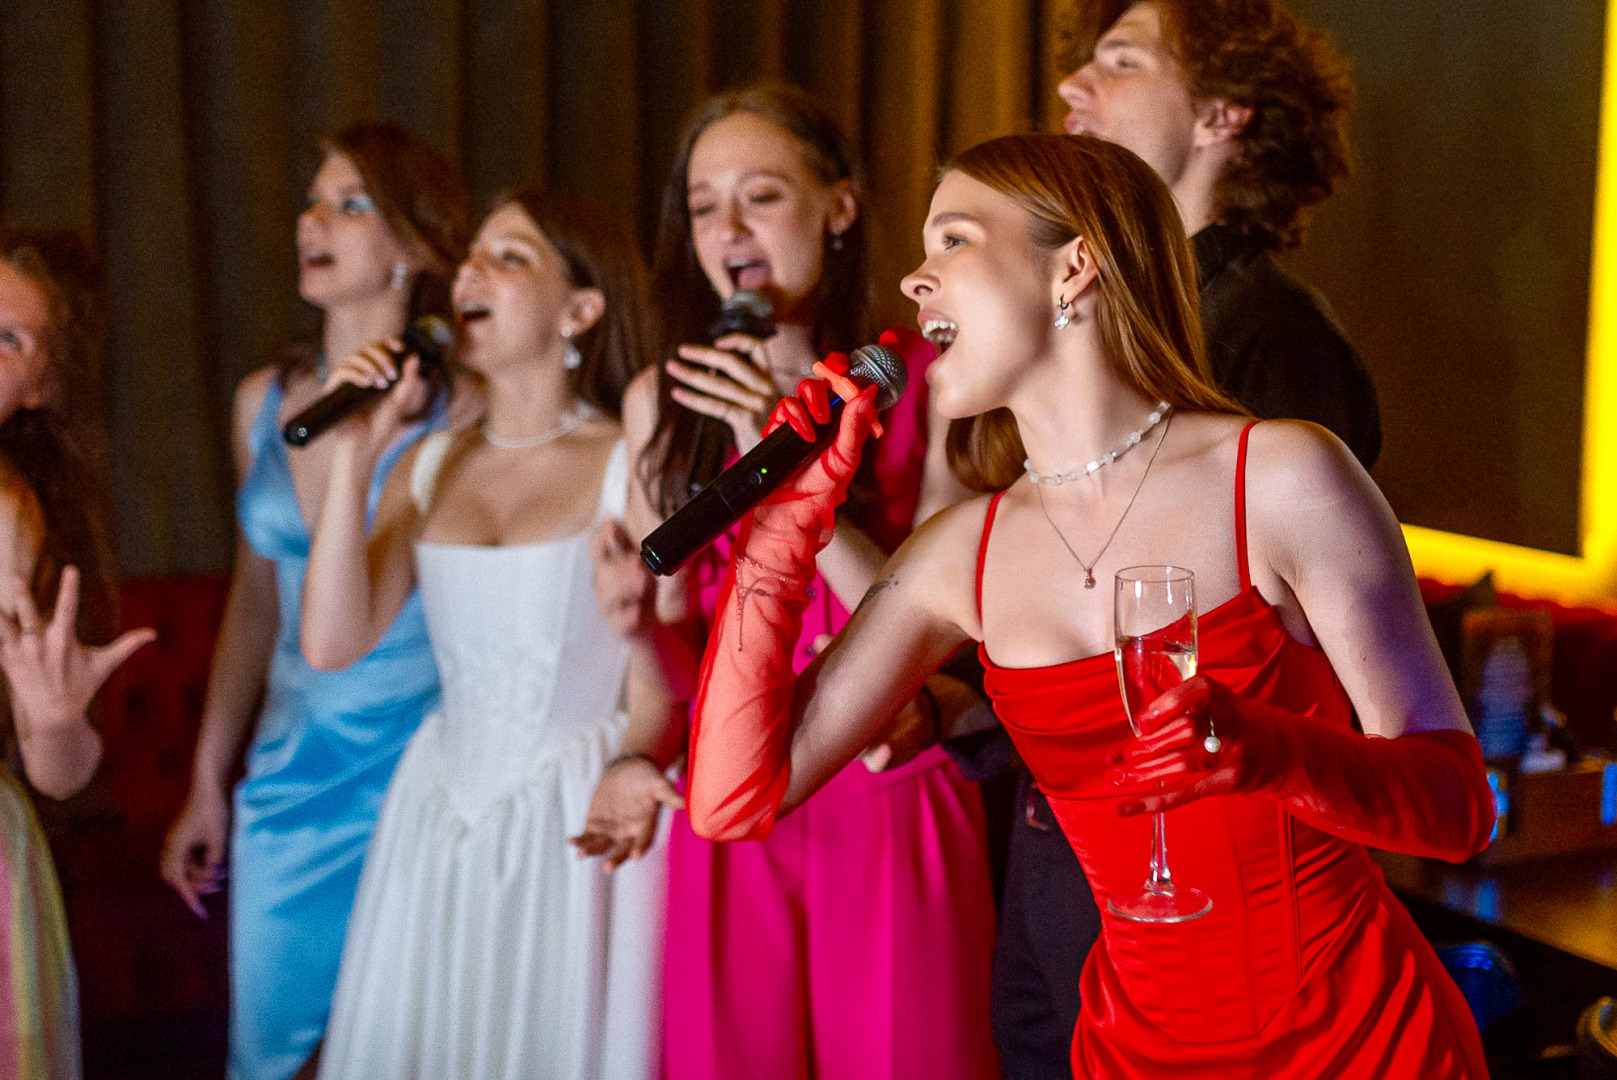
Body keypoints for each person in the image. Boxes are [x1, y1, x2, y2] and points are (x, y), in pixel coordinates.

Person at [686, 132, 1495, 1079]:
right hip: (1132, 1052)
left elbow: (1457, 807)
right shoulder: (961, 554)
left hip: (1357, 1043)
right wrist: (783, 534)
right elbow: (733, 799)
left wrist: (1269, 750)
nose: (913, 280)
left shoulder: (1278, 475)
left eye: (951, 240)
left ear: (1074, 266)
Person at [977, 6, 1386, 1071]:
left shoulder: (1275, 338)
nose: (1072, 87)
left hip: (1198, 893)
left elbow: (1303, 662)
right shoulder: (1099, 322)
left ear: (1221, 113)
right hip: (1057, 854)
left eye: (1117, 62)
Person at [590, 84, 999, 1079]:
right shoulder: (660, 401)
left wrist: (792, 462)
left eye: (760, 196)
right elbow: (681, 675)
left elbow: (940, 627)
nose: (727, 228)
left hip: (882, 776)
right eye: (702, 205)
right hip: (732, 795)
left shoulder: (937, 375)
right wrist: (638, 652)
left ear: (841, 207)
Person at [302, 189, 662, 1080]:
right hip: (439, 810)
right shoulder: (428, 463)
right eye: (472, 259)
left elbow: (660, 685)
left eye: (509, 258)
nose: (469, 274)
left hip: (576, 807)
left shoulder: (628, 461)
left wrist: (630, 766)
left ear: (580, 309)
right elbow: (330, 642)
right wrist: (353, 457)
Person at [157, 122, 469, 1080]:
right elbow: (257, 596)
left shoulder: (466, 413)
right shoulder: (262, 397)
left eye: (351, 201)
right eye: (313, 199)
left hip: (410, 773)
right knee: (269, 1054)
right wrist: (211, 775)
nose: (313, 220)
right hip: (286, 776)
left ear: (416, 248)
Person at [0, 226, 154, 1079]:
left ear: (40, 388)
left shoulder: (7, 516)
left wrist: (57, 723)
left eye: (8, 339)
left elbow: (57, 771)